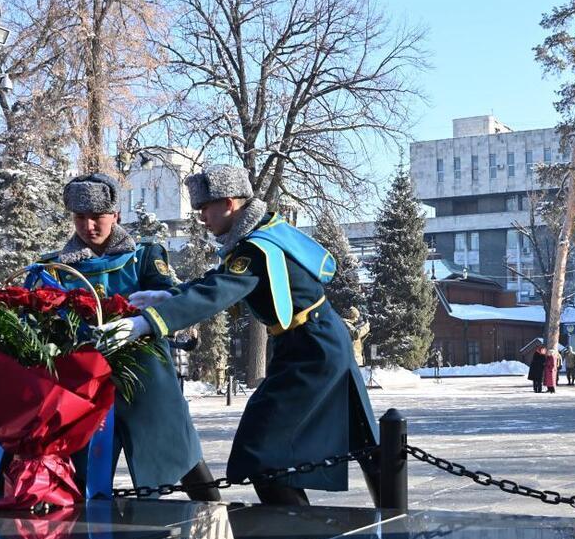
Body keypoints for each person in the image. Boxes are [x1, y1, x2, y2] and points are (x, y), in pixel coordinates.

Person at [99, 165, 379, 507]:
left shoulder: (254, 250)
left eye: (205, 208)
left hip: (312, 349)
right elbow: (216, 280)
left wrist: (148, 322)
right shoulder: (259, 235)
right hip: (311, 342)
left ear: (229, 203)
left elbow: (217, 292)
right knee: (356, 444)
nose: (202, 217)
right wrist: (168, 296)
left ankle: (297, 531)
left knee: (260, 452)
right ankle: (305, 528)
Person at [21, 174, 217, 501]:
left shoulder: (145, 257)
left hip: (148, 381)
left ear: (116, 215)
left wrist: (160, 319)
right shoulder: (53, 269)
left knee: (183, 458)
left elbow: (170, 302)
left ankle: (217, 520)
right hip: (83, 388)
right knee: (83, 482)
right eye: (80, 217)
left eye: (97, 216)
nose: (88, 226)